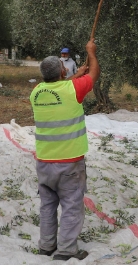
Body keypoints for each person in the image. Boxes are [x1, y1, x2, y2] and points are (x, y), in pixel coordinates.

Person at [29, 39, 100, 261]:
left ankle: (47, 246)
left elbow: (60, 86)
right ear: (62, 70)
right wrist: (91, 53)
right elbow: (95, 75)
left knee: (47, 206)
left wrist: (77, 74)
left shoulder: (37, 93)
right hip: (70, 162)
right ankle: (67, 250)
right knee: (71, 206)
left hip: (44, 162)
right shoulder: (72, 90)